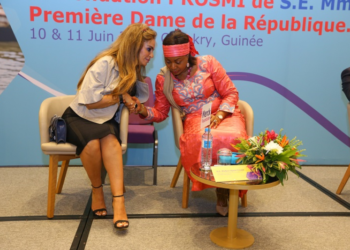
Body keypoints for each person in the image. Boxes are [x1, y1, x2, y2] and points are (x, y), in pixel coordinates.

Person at [130, 29, 248, 216]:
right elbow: (161, 113)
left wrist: (219, 116)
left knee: (234, 137)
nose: (173, 67)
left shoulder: (208, 63)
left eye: (178, 61)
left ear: (188, 55)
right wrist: (142, 110)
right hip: (195, 120)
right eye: (168, 62)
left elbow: (231, 93)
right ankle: (221, 189)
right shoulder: (163, 78)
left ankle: (226, 188)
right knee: (206, 139)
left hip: (224, 115)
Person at [61, 23, 157, 229]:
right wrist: (121, 95)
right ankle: (97, 190)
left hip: (104, 121)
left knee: (112, 144)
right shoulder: (105, 63)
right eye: (149, 49)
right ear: (134, 45)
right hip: (80, 116)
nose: (151, 55)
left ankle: (119, 202)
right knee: (92, 145)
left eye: (152, 50)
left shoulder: (134, 68)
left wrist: (133, 102)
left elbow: (139, 96)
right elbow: (89, 101)